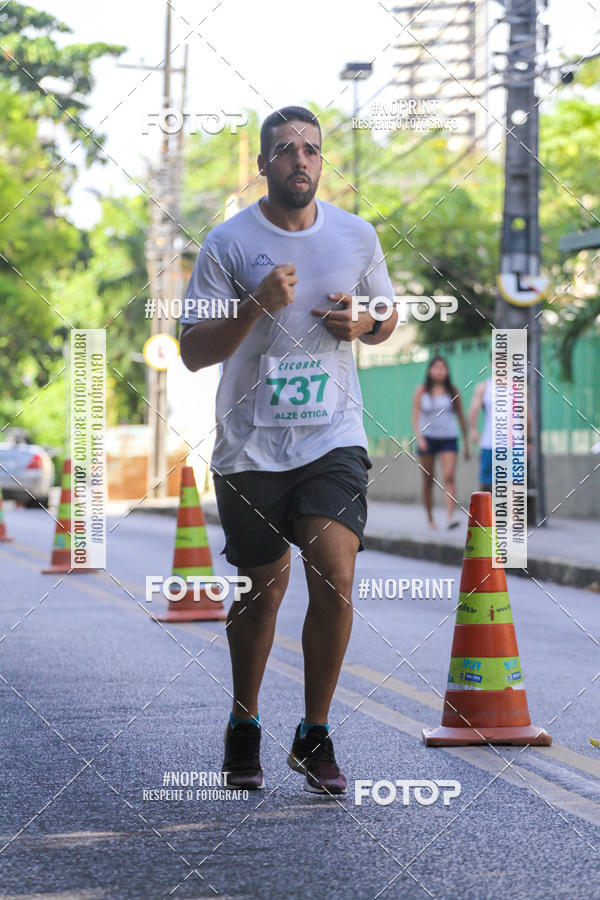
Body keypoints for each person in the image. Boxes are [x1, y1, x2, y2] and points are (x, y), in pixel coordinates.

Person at [180, 106, 397, 795]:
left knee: (333, 572)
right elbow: (190, 351)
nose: (300, 159)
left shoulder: (357, 236)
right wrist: (255, 306)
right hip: (249, 448)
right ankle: (245, 722)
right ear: (264, 164)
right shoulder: (228, 243)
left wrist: (363, 323)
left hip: (332, 436)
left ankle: (315, 732)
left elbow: (386, 316)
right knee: (261, 591)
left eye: (311, 149)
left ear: (321, 162)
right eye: (285, 150)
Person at [411, 356, 469, 529]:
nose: (439, 371)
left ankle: (450, 517)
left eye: (442, 367)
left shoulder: (453, 391)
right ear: (429, 371)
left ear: (447, 371)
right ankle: (429, 517)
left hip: (449, 438)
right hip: (427, 439)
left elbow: (461, 418)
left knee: (449, 476)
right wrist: (419, 437)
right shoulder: (421, 391)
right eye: (435, 367)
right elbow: (415, 417)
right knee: (429, 479)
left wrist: (466, 444)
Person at [468, 375, 493, 492]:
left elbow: (526, 414)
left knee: (511, 485)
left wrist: (528, 440)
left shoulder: (518, 387)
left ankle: (508, 511)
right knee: (486, 484)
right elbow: (474, 409)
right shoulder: (484, 387)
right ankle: (485, 509)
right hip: (490, 443)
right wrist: (473, 429)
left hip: (512, 444)